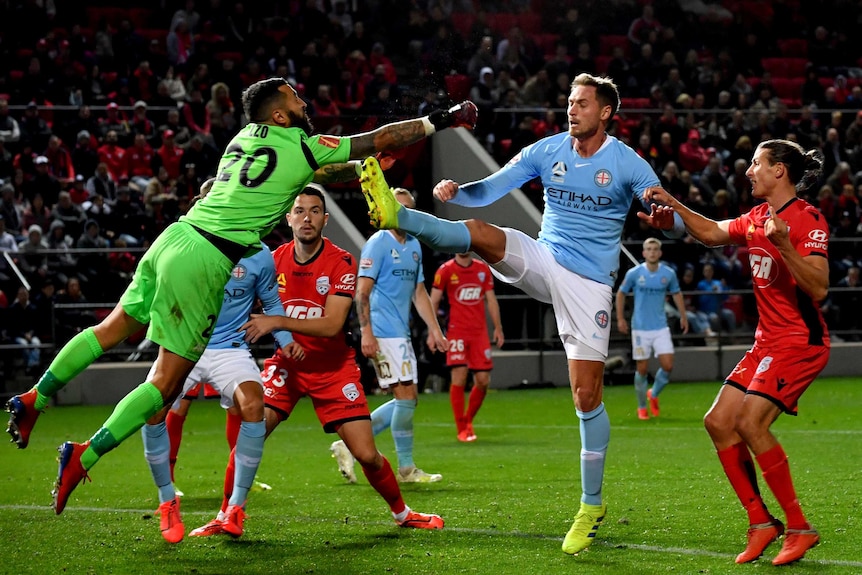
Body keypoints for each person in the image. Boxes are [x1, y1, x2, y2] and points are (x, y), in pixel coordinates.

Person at [4, 77, 477, 517]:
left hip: (176, 236)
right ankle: (84, 455)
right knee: (166, 385)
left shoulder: (243, 139)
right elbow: (379, 138)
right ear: (280, 116)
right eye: (296, 100)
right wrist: (443, 118)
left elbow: (312, 171)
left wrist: (357, 171)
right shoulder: (300, 144)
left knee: (110, 330)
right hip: (207, 258)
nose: (305, 104)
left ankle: (34, 397)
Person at [356, 73, 685, 555]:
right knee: (482, 233)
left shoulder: (629, 164)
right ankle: (397, 216)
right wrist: (455, 191)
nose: (572, 109)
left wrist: (667, 223)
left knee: (585, 395)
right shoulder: (547, 149)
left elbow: (673, 222)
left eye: (582, 104)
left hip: (590, 285)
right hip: (545, 257)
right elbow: (491, 189)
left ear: (606, 112)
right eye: (569, 102)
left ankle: (591, 505)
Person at [205, 186, 443, 534]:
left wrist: (277, 321)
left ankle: (403, 513)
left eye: (315, 211)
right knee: (250, 436)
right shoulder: (271, 261)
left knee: (366, 455)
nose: (306, 218)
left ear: (325, 219)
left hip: (333, 369)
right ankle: (228, 514)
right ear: (288, 217)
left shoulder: (341, 261)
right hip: (286, 366)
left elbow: (332, 324)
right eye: (299, 211)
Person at [639, 139, 828, 566]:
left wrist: (784, 246)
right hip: (767, 341)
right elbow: (709, 233)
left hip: (801, 342)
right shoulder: (758, 216)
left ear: (779, 171)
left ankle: (799, 527)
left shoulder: (808, 219)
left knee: (749, 421)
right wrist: (674, 205)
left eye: (757, 164)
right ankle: (761, 521)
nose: (749, 171)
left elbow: (818, 287)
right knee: (719, 422)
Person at [140, 177, 302, 543]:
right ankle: (167, 500)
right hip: (182, 345)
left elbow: (271, 303)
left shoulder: (258, 252)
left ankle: (235, 508)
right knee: (153, 410)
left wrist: (286, 338)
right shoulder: (186, 241)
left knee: (253, 406)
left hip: (229, 348)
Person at [336, 187, 448, 484]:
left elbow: (419, 292)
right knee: (407, 398)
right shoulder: (378, 243)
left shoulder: (413, 246)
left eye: (407, 209)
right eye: (396, 208)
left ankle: (350, 444)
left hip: (401, 333)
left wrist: (435, 330)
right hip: (383, 333)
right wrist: (366, 333)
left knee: (408, 400)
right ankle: (407, 469)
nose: (402, 213)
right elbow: (361, 293)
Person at [429, 252, 504, 441]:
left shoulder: (481, 269)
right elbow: (433, 301)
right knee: (459, 377)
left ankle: (468, 420)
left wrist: (498, 327)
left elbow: (491, 299)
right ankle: (461, 428)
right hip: (457, 332)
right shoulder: (445, 270)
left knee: (483, 380)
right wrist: (433, 332)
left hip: (479, 333)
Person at [615, 238, 689, 420]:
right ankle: (641, 407)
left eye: (655, 249)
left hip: (660, 327)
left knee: (668, 365)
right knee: (642, 368)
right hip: (640, 328)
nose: (652, 252)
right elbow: (621, 293)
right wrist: (620, 318)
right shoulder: (635, 273)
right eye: (649, 249)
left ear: (660, 253)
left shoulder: (668, 273)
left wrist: (683, 316)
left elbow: (677, 293)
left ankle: (653, 394)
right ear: (643, 253)